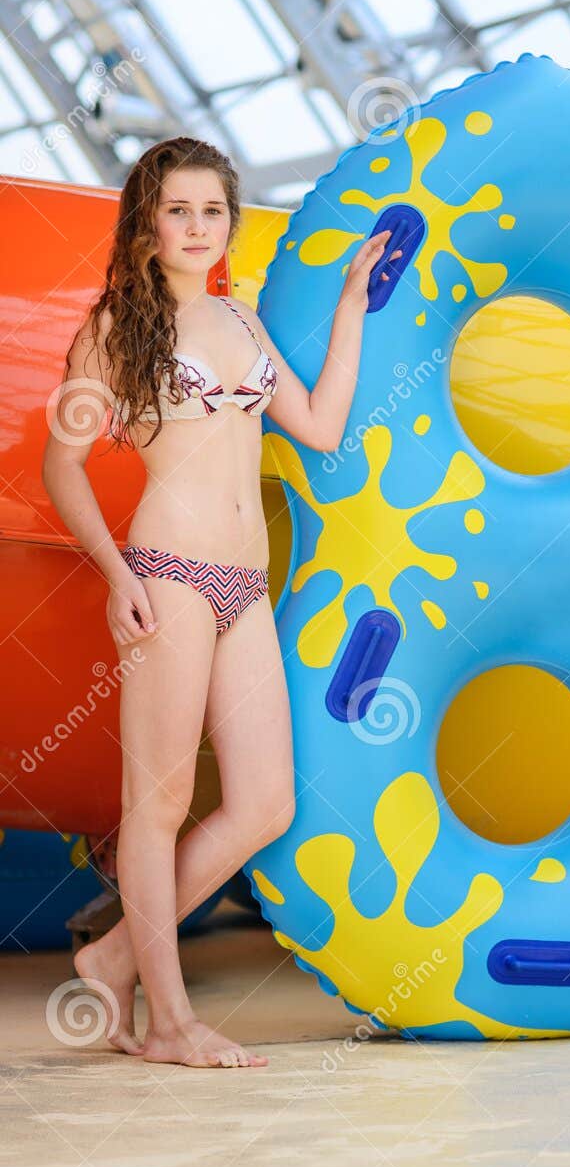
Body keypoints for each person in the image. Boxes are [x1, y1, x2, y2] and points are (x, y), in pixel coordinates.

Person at [42, 136, 398, 1069]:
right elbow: (62, 466)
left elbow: (319, 425)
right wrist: (119, 576)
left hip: (246, 587)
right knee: (154, 809)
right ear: (147, 222)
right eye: (178, 210)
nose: (198, 228)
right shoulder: (116, 328)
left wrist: (354, 305)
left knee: (265, 804)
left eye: (213, 211)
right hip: (168, 576)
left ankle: (114, 957)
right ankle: (168, 1022)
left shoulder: (242, 324)